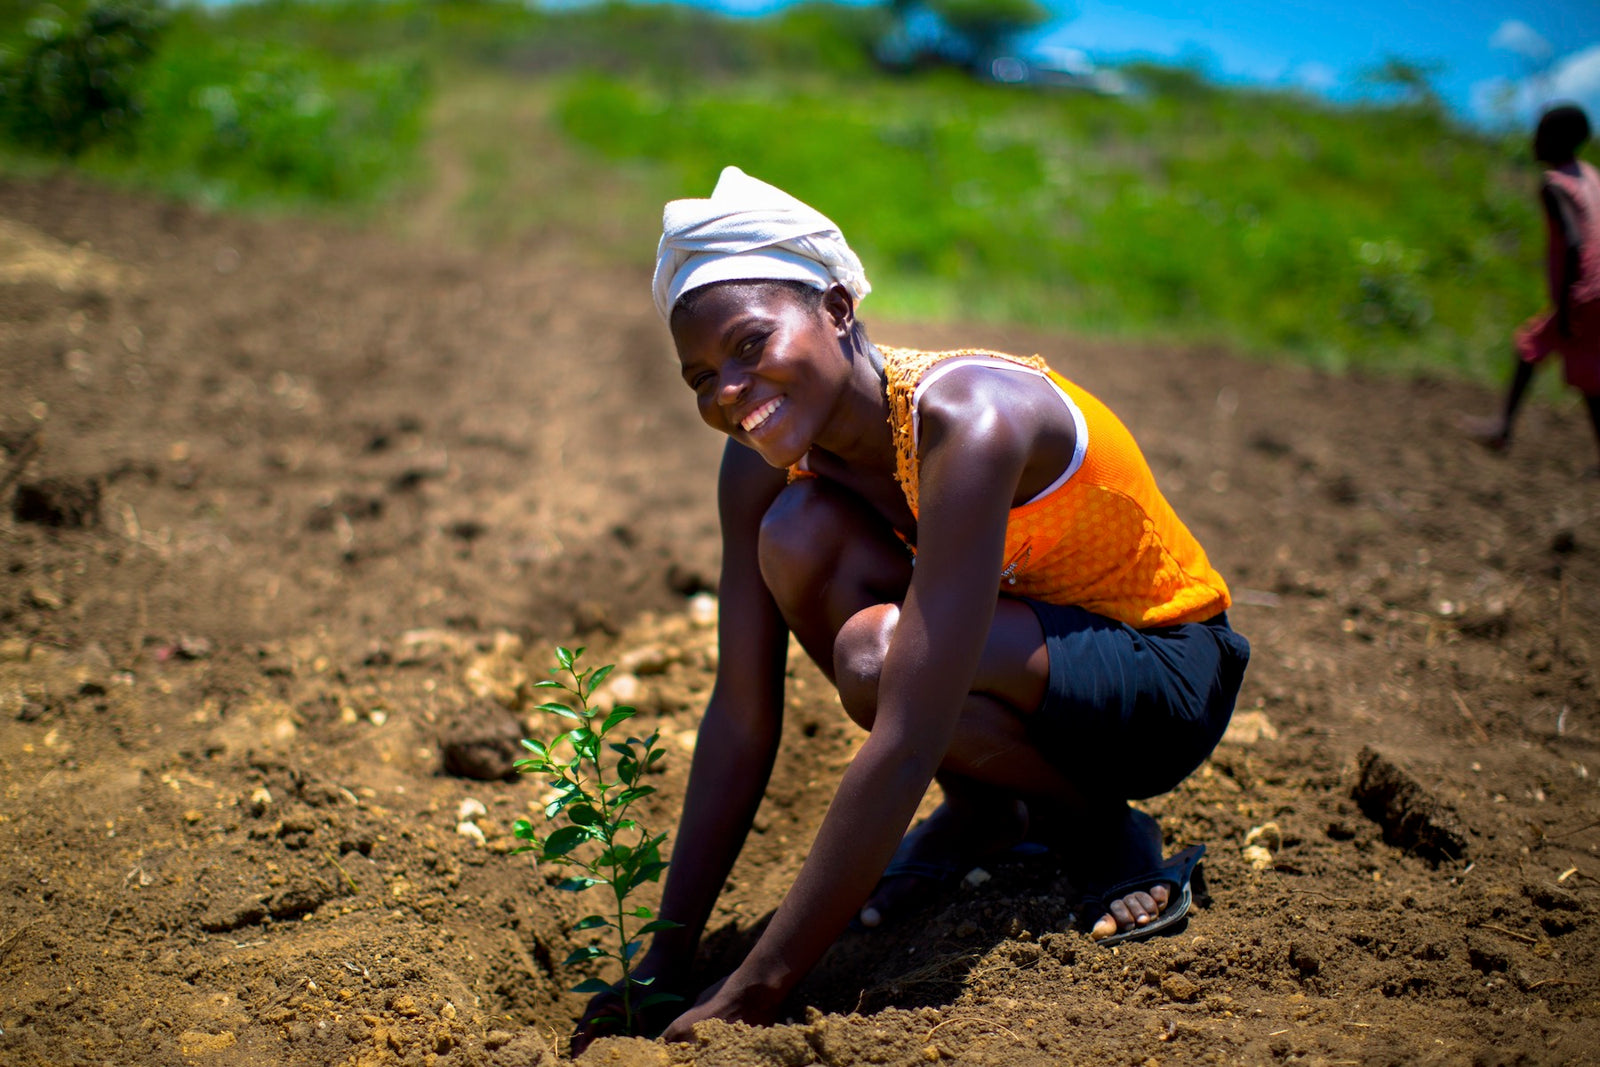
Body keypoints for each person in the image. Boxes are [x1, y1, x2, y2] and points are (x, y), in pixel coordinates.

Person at [573, 166, 1250, 1050]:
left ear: (837, 308)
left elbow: (907, 731)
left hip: (1161, 675)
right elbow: (741, 713)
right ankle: (986, 812)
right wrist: (665, 964)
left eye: (749, 344)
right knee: (802, 534)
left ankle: (1102, 830)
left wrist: (754, 991)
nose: (728, 391)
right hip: (1018, 657)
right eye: (701, 376)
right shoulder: (760, 465)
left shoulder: (970, 421)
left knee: (881, 661)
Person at [1465, 103, 1600, 473]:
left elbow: (1573, 242)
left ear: (1558, 140)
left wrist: (1567, 307)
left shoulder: (1554, 184)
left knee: (1570, 369)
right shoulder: (1591, 176)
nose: (1534, 141)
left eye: (1541, 134)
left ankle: (1502, 429)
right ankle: (1503, 427)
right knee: (1537, 350)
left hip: (1586, 297)